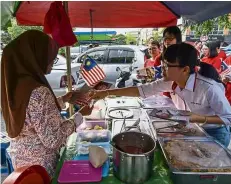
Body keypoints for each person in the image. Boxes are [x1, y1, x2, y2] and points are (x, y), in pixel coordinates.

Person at [90, 43, 231, 147]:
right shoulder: (171, 81)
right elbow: (140, 90)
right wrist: (105, 93)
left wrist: (199, 118)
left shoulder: (208, 88)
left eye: (167, 66)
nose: (162, 69)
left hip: (215, 133)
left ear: (185, 69)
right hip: (193, 129)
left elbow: (228, 118)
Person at [1, 30, 87, 177]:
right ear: (35, 56)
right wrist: (79, 117)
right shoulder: (39, 91)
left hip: (21, 160)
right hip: (41, 167)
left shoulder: (14, 85)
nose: (51, 63)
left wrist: (64, 99)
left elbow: (34, 115)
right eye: (49, 58)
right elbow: (53, 139)